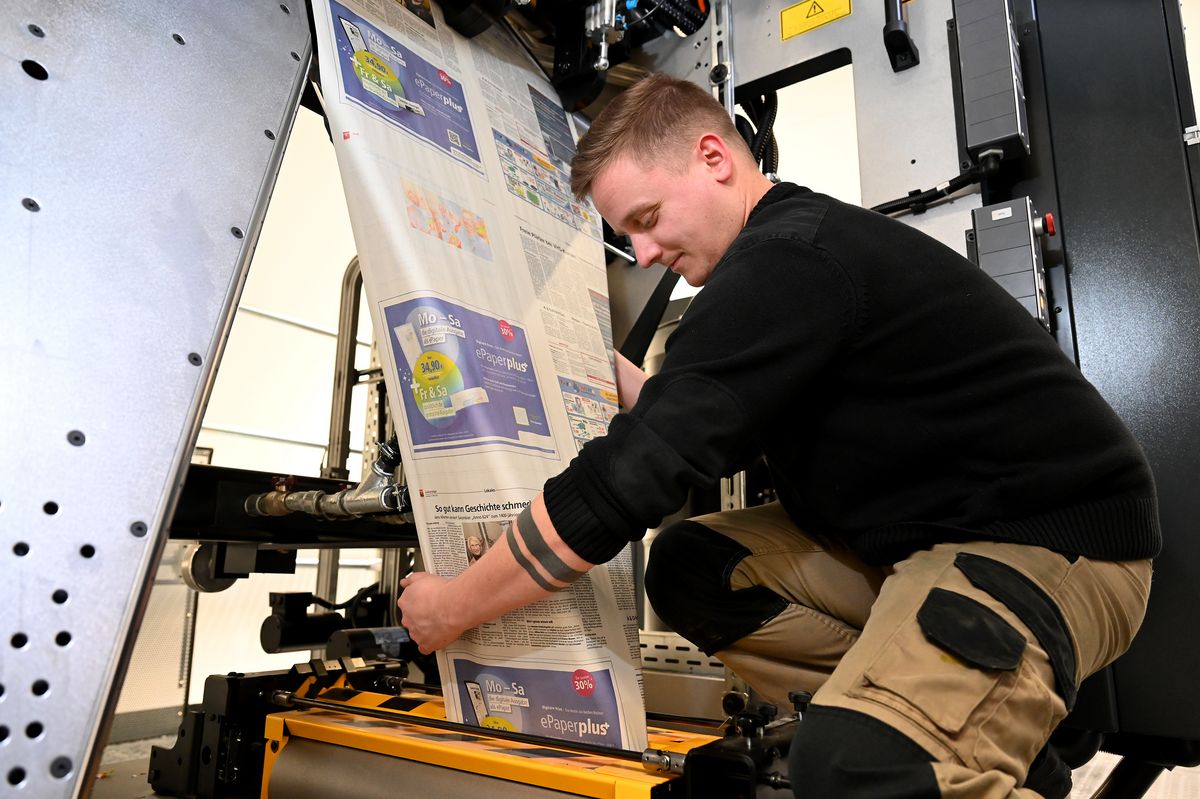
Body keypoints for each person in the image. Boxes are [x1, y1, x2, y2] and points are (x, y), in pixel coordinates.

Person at [398, 73, 1160, 798]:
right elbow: (689, 417)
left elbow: (625, 483)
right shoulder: (784, 252)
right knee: (693, 566)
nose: (644, 255)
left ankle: (922, 740)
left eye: (646, 219)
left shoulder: (788, 258)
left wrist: (453, 606)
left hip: (1048, 543)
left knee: (860, 769)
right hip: (917, 536)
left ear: (714, 157)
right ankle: (967, 725)